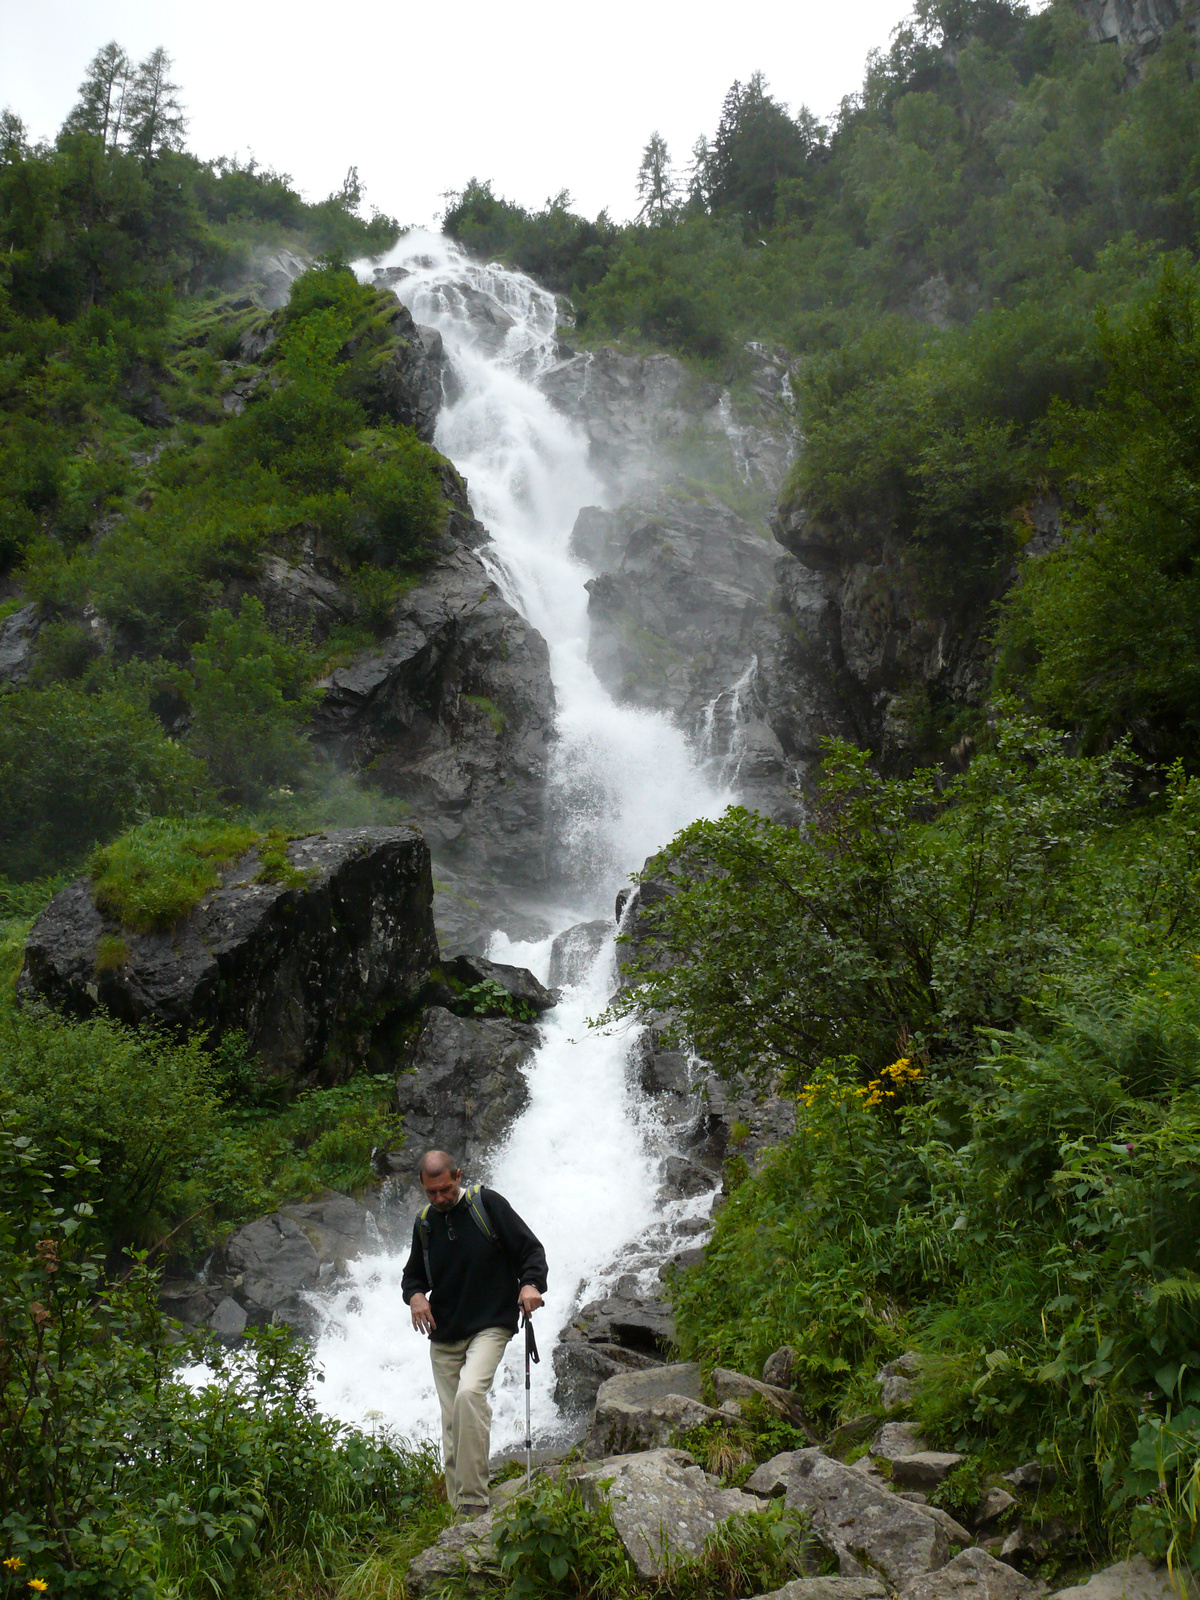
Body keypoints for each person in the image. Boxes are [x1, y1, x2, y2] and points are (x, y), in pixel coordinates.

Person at [401, 1150, 547, 1518]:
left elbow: (531, 1249)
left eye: (445, 1190)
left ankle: (473, 1503)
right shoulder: (425, 1223)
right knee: (452, 1426)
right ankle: (458, 1520)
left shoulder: (487, 1204)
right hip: (445, 1334)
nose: (439, 1198)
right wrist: (416, 1296)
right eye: (431, 1192)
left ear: (458, 1176)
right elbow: (412, 1276)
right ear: (422, 1186)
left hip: (491, 1324)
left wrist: (531, 1285)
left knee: (469, 1396)